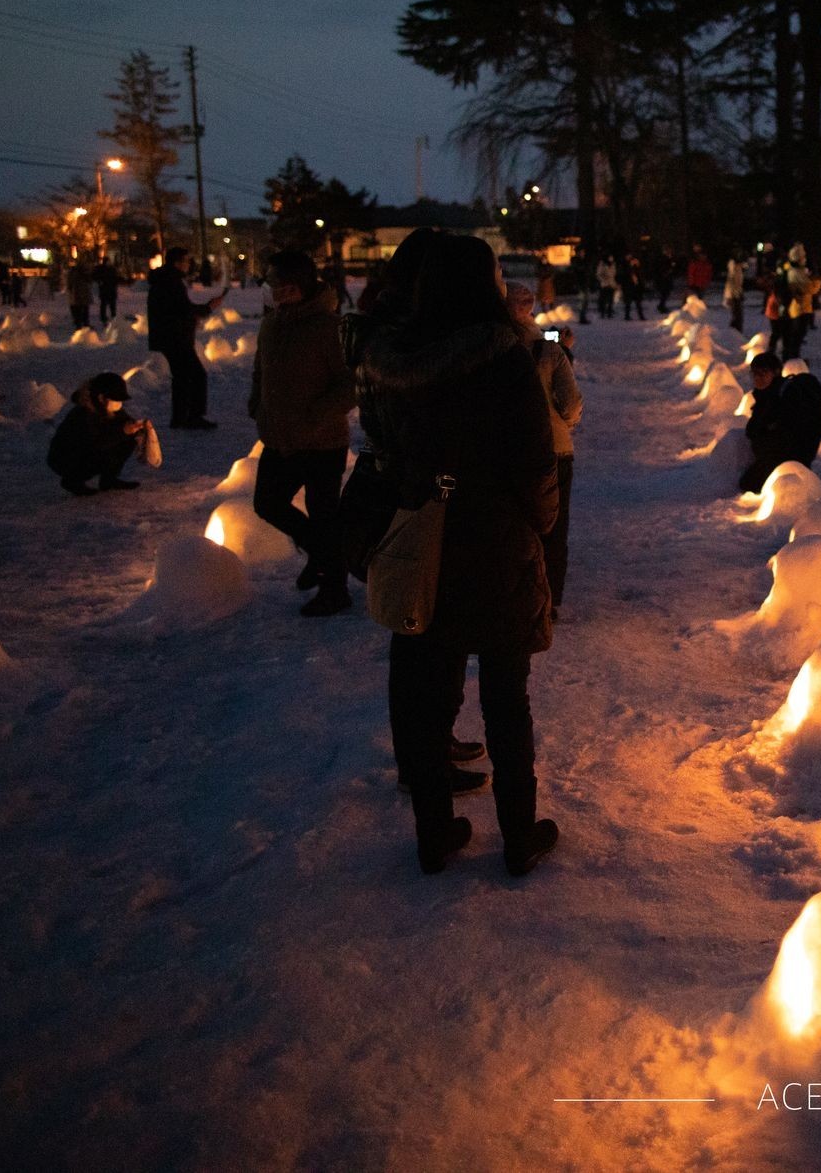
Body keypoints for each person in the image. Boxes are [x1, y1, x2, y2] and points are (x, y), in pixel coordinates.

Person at [367, 233, 560, 877]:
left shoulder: (396, 361)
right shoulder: (504, 358)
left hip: (427, 539)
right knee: (506, 697)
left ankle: (434, 834)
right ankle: (518, 833)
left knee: (426, 698)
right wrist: (542, 523)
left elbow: (385, 453)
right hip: (499, 539)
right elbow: (536, 461)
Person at [249, 250, 356, 617]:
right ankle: (322, 553)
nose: (279, 294)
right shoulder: (271, 325)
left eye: (287, 287)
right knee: (267, 502)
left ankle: (335, 588)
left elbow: (349, 383)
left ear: (306, 286)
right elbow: (260, 371)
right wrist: (257, 404)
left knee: (323, 512)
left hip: (322, 441)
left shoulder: (329, 327)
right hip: (279, 437)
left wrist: (317, 414)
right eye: (274, 286)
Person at [508, 283, 583, 615]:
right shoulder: (548, 350)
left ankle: (514, 595)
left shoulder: (488, 346)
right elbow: (571, 403)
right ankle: (548, 602)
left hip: (507, 449)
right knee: (553, 527)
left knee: (514, 526)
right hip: (553, 449)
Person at [147, 248, 227, 429]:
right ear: (177, 262)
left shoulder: (166, 279)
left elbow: (179, 308)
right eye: (186, 261)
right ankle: (192, 417)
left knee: (182, 377)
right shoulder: (171, 281)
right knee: (196, 375)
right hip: (175, 337)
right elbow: (182, 310)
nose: (189, 265)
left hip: (170, 336)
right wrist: (208, 308)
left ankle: (180, 418)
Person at [739, 351, 821, 494]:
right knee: (748, 483)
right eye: (754, 373)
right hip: (779, 455)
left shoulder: (785, 396)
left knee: (751, 485)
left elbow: (791, 432)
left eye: (763, 373)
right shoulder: (767, 395)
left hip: (788, 458)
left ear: (775, 373)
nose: (758, 378)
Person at [46, 372, 153, 495]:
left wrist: (138, 427)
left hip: (92, 448)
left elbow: (124, 422)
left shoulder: (107, 407)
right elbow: (95, 443)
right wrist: (124, 431)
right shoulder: (83, 414)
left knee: (129, 438)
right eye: (115, 399)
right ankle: (72, 481)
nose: (119, 404)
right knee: (102, 449)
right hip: (66, 459)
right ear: (101, 398)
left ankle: (108, 480)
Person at [66, 261, 94, 332]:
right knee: (81, 309)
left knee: (80, 310)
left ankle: (81, 324)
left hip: (78, 294)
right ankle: (82, 324)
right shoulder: (79, 273)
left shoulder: (75, 273)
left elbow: (70, 283)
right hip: (79, 294)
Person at [723, 253, 747, 332]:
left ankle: (734, 332)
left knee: (737, 315)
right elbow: (734, 284)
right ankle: (734, 333)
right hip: (734, 296)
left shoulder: (736, 269)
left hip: (735, 295)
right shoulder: (735, 270)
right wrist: (735, 294)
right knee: (737, 315)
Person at [92, 259, 120, 325]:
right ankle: (104, 317)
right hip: (105, 289)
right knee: (104, 304)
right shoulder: (101, 269)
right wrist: (100, 281)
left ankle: (113, 316)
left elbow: (116, 278)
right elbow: (95, 276)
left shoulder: (111, 269)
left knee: (111, 304)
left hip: (111, 289)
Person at [620, 254, 646, 320]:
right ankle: (627, 316)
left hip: (636, 287)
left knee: (638, 302)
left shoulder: (635, 266)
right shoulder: (624, 265)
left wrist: (637, 265)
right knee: (628, 302)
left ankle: (641, 316)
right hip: (628, 286)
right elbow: (625, 274)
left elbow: (640, 273)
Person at [595, 255, 618, 319]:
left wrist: (614, 283)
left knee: (611, 300)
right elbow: (598, 274)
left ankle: (609, 313)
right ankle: (602, 313)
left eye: (612, 257)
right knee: (604, 300)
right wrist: (604, 279)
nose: (611, 259)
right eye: (610, 257)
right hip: (605, 284)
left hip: (612, 284)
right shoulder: (602, 264)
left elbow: (614, 274)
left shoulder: (613, 265)